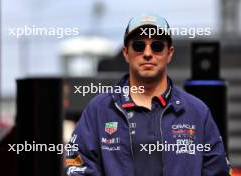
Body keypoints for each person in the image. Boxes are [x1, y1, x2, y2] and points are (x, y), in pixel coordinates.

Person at [65, 13, 231, 176]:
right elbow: (78, 168)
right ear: (125, 53)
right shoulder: (99, 110)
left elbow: (218, 170)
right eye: (138, 45)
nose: (147, 53)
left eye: (157, 46)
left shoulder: (197, 112)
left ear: (169, 53)